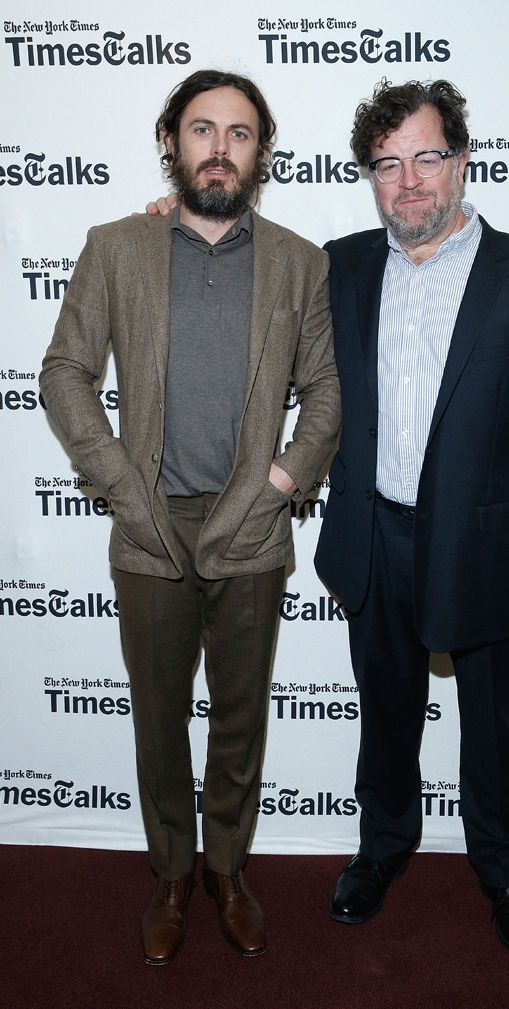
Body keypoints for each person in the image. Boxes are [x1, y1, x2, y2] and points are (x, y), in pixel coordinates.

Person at [39, 68, 340, 966]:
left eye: (239, 132)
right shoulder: (117, 245)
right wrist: (125, 491)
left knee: (240, 721)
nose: (220, 147)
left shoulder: (300, 261)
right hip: (149, 528)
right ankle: (171, 875)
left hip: (252, 527)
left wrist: (280, 483)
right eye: (202, 129)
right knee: (160, 716)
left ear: (261, 151)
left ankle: (228, 871)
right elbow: (64, 375)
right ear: (171, 140)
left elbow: (325, 391)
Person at [313, 79, 509, 959]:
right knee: (386, 711)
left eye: (427, 157)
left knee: (494, 721)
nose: (409, 182)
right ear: (371, 177)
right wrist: (167, 217)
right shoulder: (339, 266)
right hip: (374, 537)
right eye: (388, 163)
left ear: (462, 161)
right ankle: (382, 848)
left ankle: (506, 872)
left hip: (487, 545)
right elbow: (241, 276)